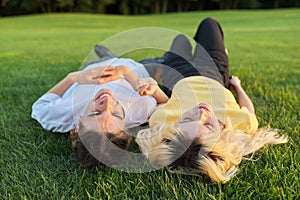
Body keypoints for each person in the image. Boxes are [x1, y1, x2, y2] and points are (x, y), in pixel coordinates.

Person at [135, 18, 288, 183]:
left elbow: (164, 103)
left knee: (180, 39)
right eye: (208, 125)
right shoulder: (239, 124)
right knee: (209, 23)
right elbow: (248, 109)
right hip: (212, 69)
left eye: (187, 118)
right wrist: (237, 85)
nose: (200, 113)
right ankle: (205, 53)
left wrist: (155, 89)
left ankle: (163, 60)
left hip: (176, 74)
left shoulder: (165, 123)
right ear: (220, 138)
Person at [31, 50, 168, 167]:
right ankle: (110, 54)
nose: (107, 102)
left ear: (78, 124)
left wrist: (74, 77)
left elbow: (39, 106)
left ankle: (106, 55)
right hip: (133, 66)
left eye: (95, 113)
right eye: (116, 115)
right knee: (167, 60)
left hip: (95, 67)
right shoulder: (139, 109)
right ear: (126, 129)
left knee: (105, 59)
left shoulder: (61, 114)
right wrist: (151, 87)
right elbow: (166, 105)